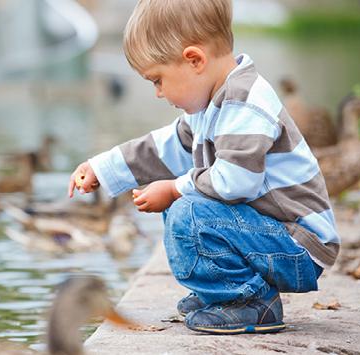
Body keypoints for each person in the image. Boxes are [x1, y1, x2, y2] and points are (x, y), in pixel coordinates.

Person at [67, 0, 338, 335]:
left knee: (188, 211)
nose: (157, 93)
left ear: (194, 60)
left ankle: (248, 301)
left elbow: (238, 181)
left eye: (158, 79)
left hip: (299, 246)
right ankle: (225, 290)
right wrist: (102, 167)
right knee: (184, 204)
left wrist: (173, 188)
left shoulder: (244, 103)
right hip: (272, 236)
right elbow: (162, 149)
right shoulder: (210, 106)